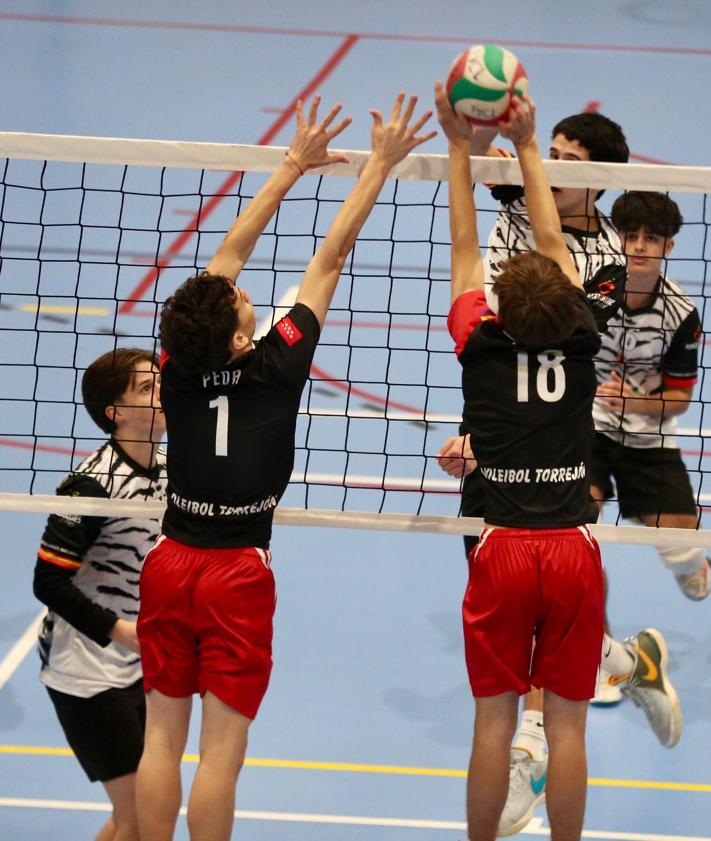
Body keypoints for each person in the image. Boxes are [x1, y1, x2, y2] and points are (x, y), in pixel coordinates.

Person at [134, 93, 435, 841]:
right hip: (237, 571)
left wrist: (290, 167)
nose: (241, 290)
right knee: (220, 758)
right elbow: (330, 253)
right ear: (238, 336)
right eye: (238, 301)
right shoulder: (278, 363)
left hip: (170, 560)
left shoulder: (178, 363)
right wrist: (381, 166)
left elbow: (221, 264)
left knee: (160, 739)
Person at [435, 83, 680, 841]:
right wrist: (524, 146)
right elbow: (547, 251)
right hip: (564, 532)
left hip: (511, 518)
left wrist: (455, 142)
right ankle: (622, 666)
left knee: (494, 721)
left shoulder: (478, 335)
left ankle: (518, 765)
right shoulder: (580, 328)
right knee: (569, 718)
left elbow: (465, 252)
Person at [33, 347, 166, 841]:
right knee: (143, 820)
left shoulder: (171, 470)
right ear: (117, 412)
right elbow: (47, 582)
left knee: (130, 817)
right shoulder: (89, 487)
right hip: (85, 676)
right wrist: (121, 631)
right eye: (147, 389)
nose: (162, 394)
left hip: (139, 662)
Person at [592, 192, 708, 597]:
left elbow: (679, 398)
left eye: (652, 238)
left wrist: (631, 401)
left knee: (685, 551)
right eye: (631, 235)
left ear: (668, 246)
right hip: (585, 429)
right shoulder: (594, 290)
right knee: (574, 532)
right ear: (617, 238)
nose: (639, 245)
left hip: (647, 434)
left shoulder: (681, 313)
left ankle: (694, 564)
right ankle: (598, 651)